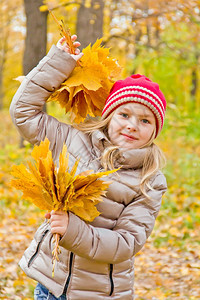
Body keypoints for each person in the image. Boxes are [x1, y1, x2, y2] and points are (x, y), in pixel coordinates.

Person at [10, 35, 167, 300]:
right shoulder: (73, 139)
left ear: (155, 130)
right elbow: (24, 112)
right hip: (50, 283)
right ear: (109, 115)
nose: (132, 125)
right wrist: (59, 63)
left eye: (145, 121)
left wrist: (72, 229)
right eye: (124, 115)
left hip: (98, 293)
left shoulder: (149, 180)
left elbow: (126, 243)